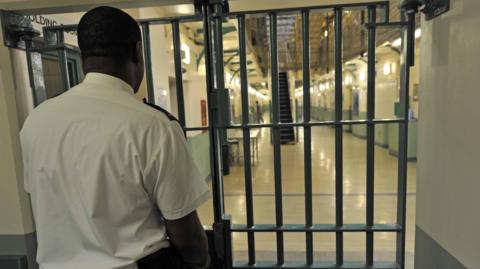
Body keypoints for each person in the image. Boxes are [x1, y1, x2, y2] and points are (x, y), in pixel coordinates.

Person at [20, 6, 210, 269]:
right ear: (137, 52)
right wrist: (201, 259)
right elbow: (187, 237)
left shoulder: (36, 122)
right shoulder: (153, 126)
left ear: (83, 53)